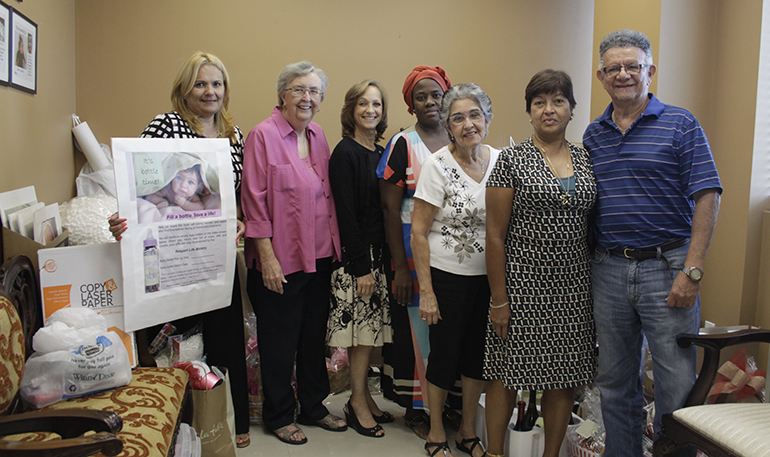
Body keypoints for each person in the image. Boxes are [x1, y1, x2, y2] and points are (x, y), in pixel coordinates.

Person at [582, 29, 722, 457]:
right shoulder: (593, 135)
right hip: (609, 269)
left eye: (633, 66)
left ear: (650, 71)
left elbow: (708, 195)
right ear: (602, 76)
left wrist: (692, 270)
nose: (623, 74)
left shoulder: (681, 124)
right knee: (615, 380)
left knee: (675, 382)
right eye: (614, 68)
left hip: (668, 268)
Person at [108, 51, 252, 448]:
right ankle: (177, 422)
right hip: (171, 252)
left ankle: (226, 419)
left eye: (217, 84)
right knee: (176, 342)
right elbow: (142, 181)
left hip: (212, 254)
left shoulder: (232, 135)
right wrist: (124, 218)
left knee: (225, 336)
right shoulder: (166, 124)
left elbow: (231, 196)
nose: (210, 92)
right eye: (201, 83)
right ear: (184, 90)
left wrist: (237, 219)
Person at [484, 70, 596, 457]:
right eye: (540, 103)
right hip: (521, 284)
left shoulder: (586, 157)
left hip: (573, 286)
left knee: (562, 377)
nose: (549, 110)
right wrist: (499, 299)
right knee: (505, 374)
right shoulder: (511, 161)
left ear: (571, 109)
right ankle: (496, 452)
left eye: (558, 101)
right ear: (529, 111)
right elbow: (494, 235)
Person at [241, 60, 345, 445]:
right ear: (282, 94)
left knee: (313, 335)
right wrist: (266, 258)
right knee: (279, 341)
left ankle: (314, 407)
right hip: (280, 261)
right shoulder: (262, 136)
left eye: (315, 91)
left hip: (319, 256)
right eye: (299, 89)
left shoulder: (317, 134)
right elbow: (253, 201)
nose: (307, 98)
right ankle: (280, 414)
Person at [412, 83, 499, 457]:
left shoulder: (501, 160)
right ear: (448, 126)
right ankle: (435, 432)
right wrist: (427, 292)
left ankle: (466, 431)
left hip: (490, 280)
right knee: (444, 356)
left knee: (477, 357)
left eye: (474, 115)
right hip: (446, 278)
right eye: (458, 118)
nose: (468, 124)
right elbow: (418, 232)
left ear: (488, 119)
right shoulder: (437, 165)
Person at [377, 65, 460, 440]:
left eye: (436, 94)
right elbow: (390, 210)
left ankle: (449, 405)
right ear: (410, 104)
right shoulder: (402, 145)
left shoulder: (461, 137)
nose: (429, 101)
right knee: (420, 334)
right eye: (420, 96)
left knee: (451, 329)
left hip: (457, 254)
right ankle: (421, 410)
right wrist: (401, 268)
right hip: (414, 252)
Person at [327, 80, 393, 438]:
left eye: (377, 105)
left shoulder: (380, 152)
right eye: (364, 104)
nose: (371, 110)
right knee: (360, 337)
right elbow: (345, 216)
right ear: (351, 109)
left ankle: (363, 395)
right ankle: (355, 402)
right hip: (358, 261)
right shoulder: (345, 153)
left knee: (369, 336)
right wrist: (361, 267)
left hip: (377, 258)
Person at [143, 165, 209, 211]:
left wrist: (185, 204)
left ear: (198, 186)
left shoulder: (192, 197)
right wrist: (161, 201)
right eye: (179, 178)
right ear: (172, 178)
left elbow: (200, 208)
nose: (183, 185)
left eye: (190, 182)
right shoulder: (168, 190)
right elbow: (149, 196)